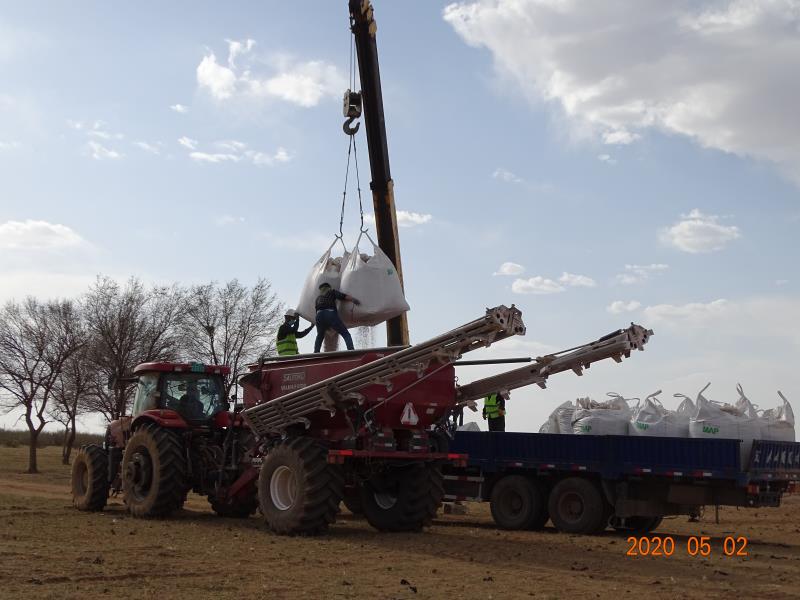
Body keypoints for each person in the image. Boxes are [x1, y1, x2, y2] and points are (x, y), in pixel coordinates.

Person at [314, 282, 360, 352]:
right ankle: (351, 350)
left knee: (320, 336)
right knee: (345, 333)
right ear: (329, 288)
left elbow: (317, 310)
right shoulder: (332, 292)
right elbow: (343, 296)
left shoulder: (318, 298)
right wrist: (353, 299)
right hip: (329, 313)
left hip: (319, 316)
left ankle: (316, 352)